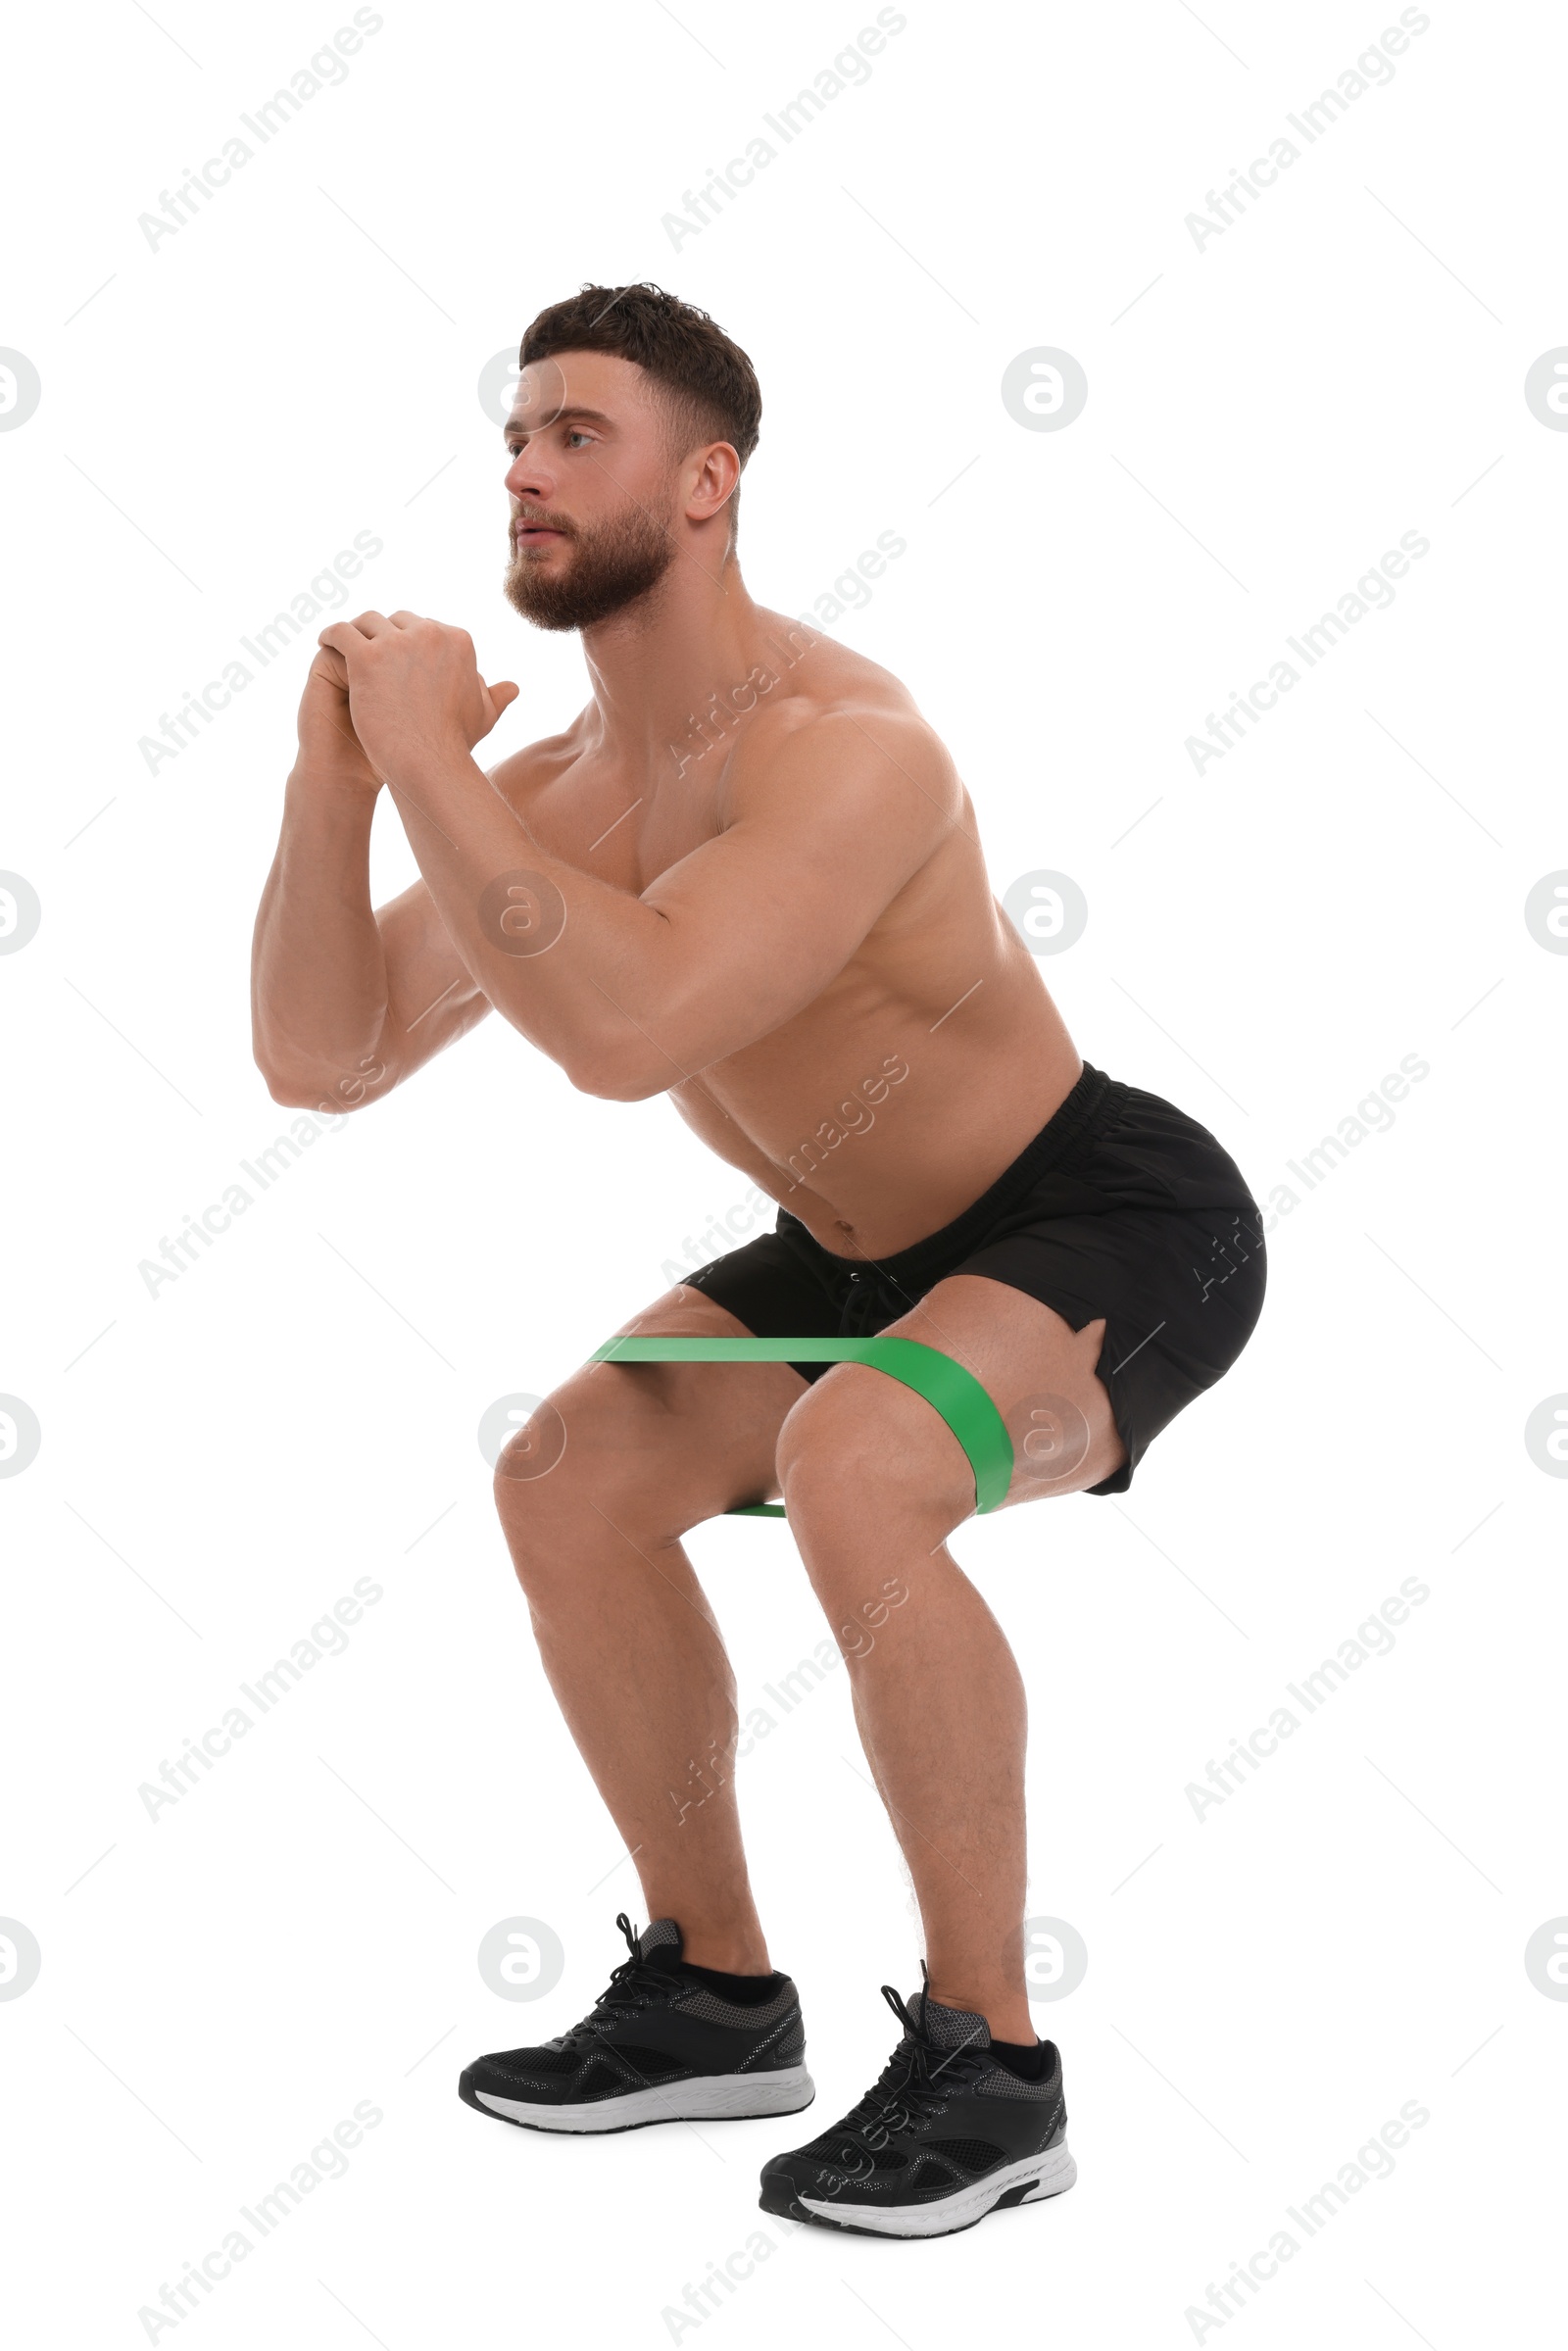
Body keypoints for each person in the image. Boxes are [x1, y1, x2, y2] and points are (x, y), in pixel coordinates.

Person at [250, 282, 1266, 2239]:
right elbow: (323, 1051)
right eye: (517, 440)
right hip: (849, 1257)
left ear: (705, 485)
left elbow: (624, 1030)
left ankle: (995, 2071)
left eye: (577, 436)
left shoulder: (843, 746)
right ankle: (713, 1996)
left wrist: (430, 762)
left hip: (1106, 1226)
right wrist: (343, 774)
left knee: (858, 1461)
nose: (527, 475)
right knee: (565, 1481)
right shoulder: (556, 793)